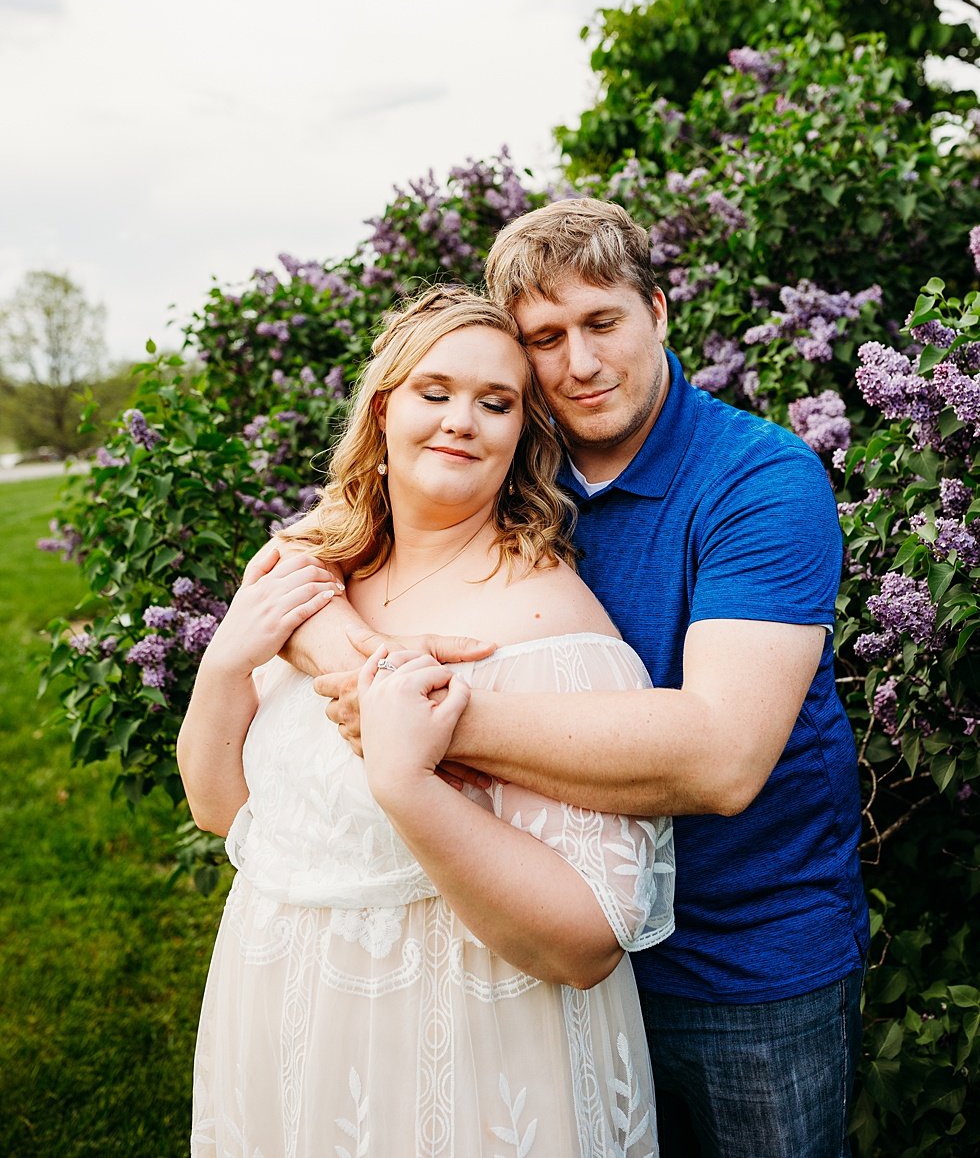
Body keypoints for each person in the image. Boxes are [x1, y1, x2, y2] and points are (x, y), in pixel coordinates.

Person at [286, 199, 869, 1158]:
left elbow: (722, 759)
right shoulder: (507, 463)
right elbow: (298, 569)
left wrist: (432, 723)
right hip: (538, 943)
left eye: (602, 323)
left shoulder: (759, 481)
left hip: (746, 963)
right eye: (544, 339)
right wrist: (370, 670)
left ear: (660, 310)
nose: (580, 363)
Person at [178, 285, 675, 1158]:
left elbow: (588, 939)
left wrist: (409, 784)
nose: (463, 421)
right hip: (283, 1015)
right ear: (383, 407)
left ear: (523, 434)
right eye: (435, 392)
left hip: (456, 1047)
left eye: (497, 403)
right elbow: (226, 811)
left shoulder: (545, 626)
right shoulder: (315, 580)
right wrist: (225, 662)